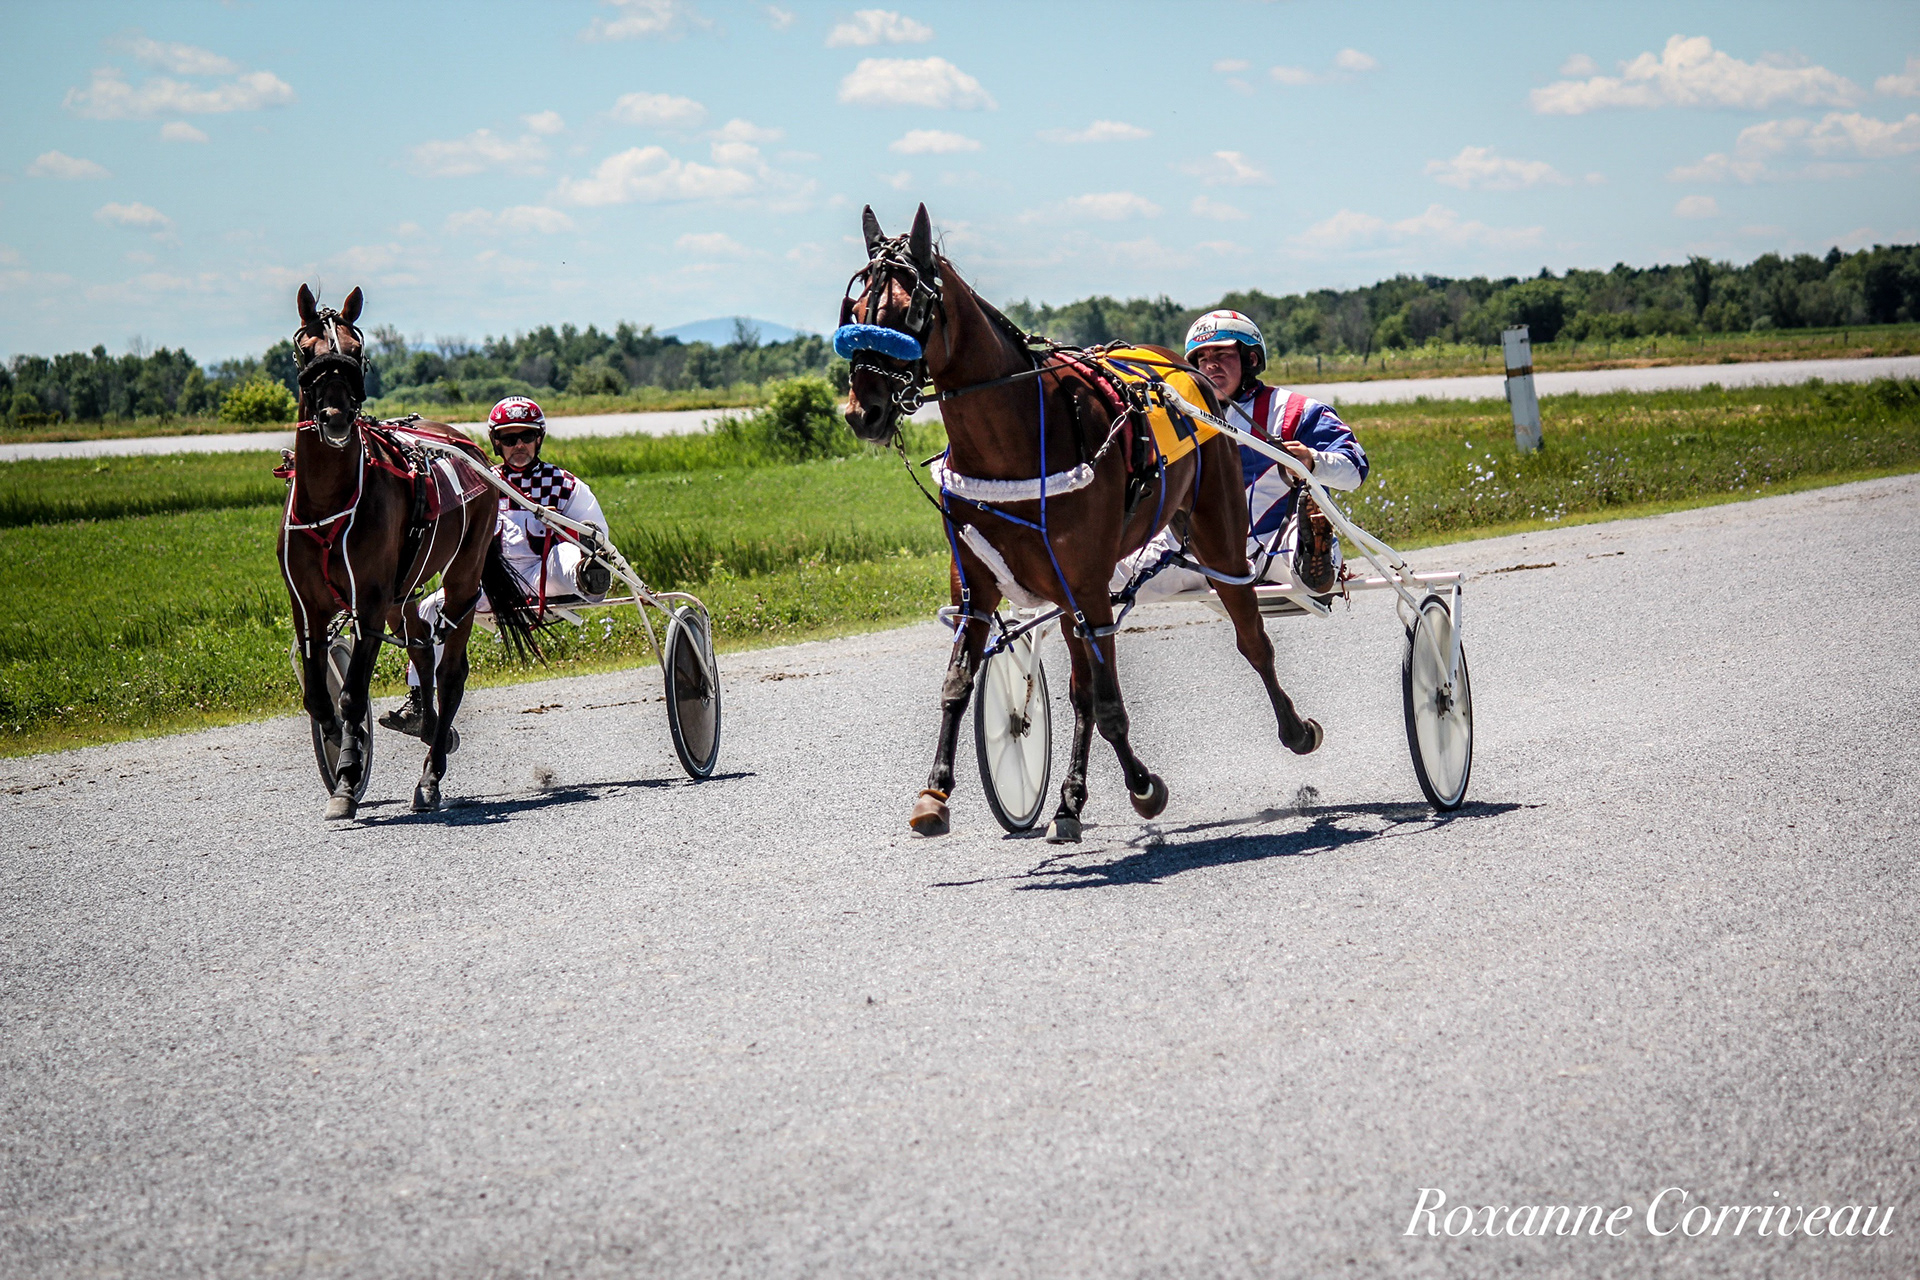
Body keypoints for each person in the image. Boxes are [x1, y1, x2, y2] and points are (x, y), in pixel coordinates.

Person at [379, 396, 611, 737]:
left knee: (568, 553)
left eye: (526, 436)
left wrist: (578, 540)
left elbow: (598, 533)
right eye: (509, 438)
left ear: (539, 439)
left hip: (543, 576)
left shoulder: (563, 485)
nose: (519, 445)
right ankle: (418, 701)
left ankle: (587, 576)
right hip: (489, 586)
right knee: (428, 608)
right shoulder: (480, 484)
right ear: (496, 442)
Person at [1110, 309, 1368, 603]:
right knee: (1107, 577)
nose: (1211, 365)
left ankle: (1317, 558)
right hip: (1196, 551)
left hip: (1276, 540)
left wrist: (1313, 461)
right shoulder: (1178, 418)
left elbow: (1355, 470)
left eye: (1222, 354)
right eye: (1202, 359)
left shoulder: (1294, 410)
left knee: (1303, 557)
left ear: (1251, 359)